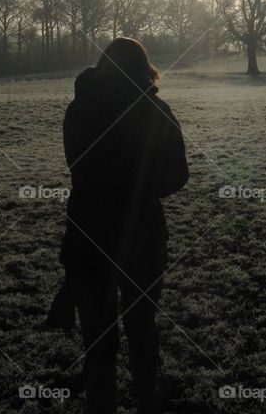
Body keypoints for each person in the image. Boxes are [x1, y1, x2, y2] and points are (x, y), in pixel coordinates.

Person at [57, 37, 189, 414]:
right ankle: (148, 399)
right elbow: (177, 176)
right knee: (142, 325)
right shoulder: (156, 111)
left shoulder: (78, 111)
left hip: (87, 234)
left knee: (97, 341)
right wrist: (141, 186)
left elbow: (77, 165)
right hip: (142, 235)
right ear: (143, 68)